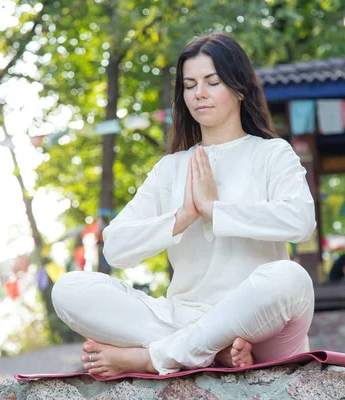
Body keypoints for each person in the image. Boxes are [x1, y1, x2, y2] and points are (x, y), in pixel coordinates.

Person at [51, 32, 316, 377]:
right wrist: (185, 215)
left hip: (260, 325)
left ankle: (154, 357)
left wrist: (214, 209)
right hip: (185, 316)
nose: (199, 94)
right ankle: (208, 351)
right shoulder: (171, 169)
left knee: (291, 278)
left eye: (212, 81)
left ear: (239, 88)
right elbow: (115, 247)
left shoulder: (271, 153)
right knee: (69, 289)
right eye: (189, 85)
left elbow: (301, 221)